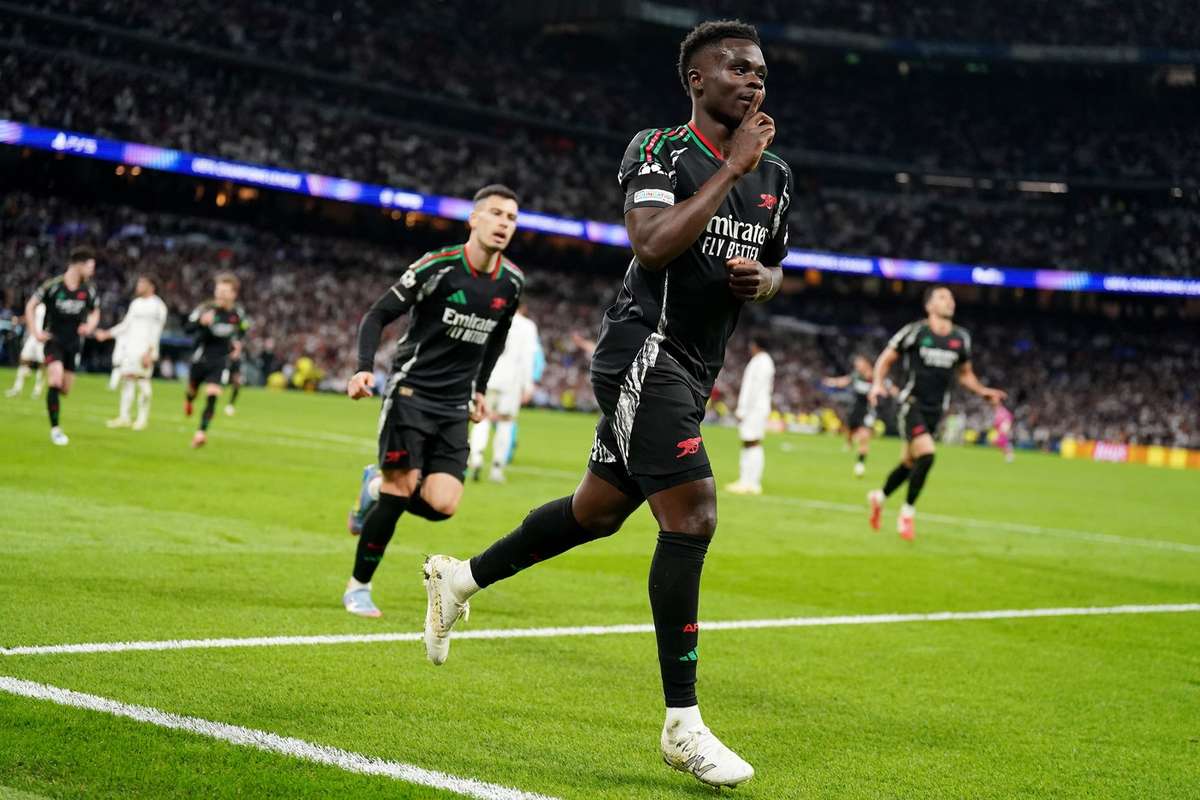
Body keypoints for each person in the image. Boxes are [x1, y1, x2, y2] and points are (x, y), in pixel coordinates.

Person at [422, 20, 788, 788]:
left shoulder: (776, 176)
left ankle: (459, 580)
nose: (754, 80)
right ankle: (682, 725)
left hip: (696, 368)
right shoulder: (658, 150)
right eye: (737, 68)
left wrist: (766, 281)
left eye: (760, 70)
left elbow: (776, 264)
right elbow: (651, 244)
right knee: (693, 516)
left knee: (595, 513)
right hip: (642, 353)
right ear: (697, 79)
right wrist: (731, 169)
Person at [343, 184, 524, 617]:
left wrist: (479, 389)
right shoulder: (437, 267)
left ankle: (373, 485)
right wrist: (364, 367)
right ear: (474, 219)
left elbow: (496, 339)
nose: (503, 223)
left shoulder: (512, 282)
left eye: (511, 218)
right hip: (411, 392)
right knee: (400, 490)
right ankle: (358, 587)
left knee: (443, 505)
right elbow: (377, 314)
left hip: (454, 403)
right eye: (496, 214)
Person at [867, 286, 1006, 540]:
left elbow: (965, 374)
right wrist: (877, 383)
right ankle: (907, 514)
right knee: (928, 455)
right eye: (942, 297)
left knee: (909, 464)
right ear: (929, 306)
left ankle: (879, 497)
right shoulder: (915, 332)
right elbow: (886, 359)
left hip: (936, 410)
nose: (949, 301)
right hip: (911, 404)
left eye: (951, 298)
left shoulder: (961, 338)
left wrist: (982, 391)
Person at [26, 248, 100, 446]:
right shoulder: (53, 286)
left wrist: (90, 326)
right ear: (79, 265)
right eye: (90, 266)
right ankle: (56, 430)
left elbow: (95, 311)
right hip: (54, 341)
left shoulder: (88, 290)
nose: (92, 271)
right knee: (55, 380)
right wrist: (35, 331)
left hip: (73, 344)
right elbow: (31, 306)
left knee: (64, 389)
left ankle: (52, 396)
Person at [468, 301, 540, 482]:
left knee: (482, 418)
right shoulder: (527, 326)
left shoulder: (493, 317)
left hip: (488, 379)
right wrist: (528, 385)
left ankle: (476, 458)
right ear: (523, 308)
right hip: (511, 383)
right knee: (505, 423)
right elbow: (527, 357)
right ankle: (497, 468)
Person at [184, 273, 249, 448]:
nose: (220, 294)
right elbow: (187, 328)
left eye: (225, 291)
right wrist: (201, 322)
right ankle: (189, 400)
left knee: (212, 395)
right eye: (218, 290)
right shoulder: (204, 309)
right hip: (200, 357)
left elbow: (243, 330)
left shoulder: (238, 313)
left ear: (233, 294)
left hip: (220, 360)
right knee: (192, 391)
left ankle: (201, 433)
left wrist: (238, 344)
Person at [95, 276, 168, 430]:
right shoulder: (136, 304)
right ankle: (124, 417)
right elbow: (126, 325)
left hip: (145, 350)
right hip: (131, 349)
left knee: (143, 382)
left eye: (142, 283)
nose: (138, 285)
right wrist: (108, 333)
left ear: (151, 286)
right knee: (127, 381)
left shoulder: (158, 306)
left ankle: (142, 419)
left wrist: (150, 352)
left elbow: (156, 332)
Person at [726, 335, 774, 494]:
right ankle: (749, 481)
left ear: (756, 345)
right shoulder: (763, 361)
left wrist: (743, 409)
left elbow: (754, 389)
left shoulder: (761, 362)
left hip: (755, 408)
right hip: (757, 407)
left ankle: (749, 482)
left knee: (751, 442)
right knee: (751, 442)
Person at [822, 353, 879, 477]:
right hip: (855, 409)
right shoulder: (857, 375)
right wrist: (832, 382)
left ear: (866, 363)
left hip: (868, 411)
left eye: (859, 363)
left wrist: (876, 396)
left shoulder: (875, 376)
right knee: (849, 430)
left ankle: (860, 465)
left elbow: (881, 388)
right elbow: (845, 381)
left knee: (864, 437)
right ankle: (849, 443)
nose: (857, 366)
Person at [5, 302, 47, 399]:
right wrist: (19, 320)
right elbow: (29, 317)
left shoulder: (49, 305)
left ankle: (37, 391)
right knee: (23, 360)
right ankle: (17, 389)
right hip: (33, 337)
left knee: (42, 365)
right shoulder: (37, 304)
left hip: (42, 338)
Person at [992, 398, 1015, 462]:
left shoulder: (1003, 411)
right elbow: (997, 421)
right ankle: (1008, 454)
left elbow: (1008, 419)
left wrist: (1006, 426)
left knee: (1001, 440)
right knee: (1000, 441)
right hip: (1001, 427)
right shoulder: (998, 411)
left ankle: (1009, 454)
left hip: (1004, 426)